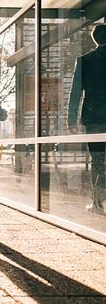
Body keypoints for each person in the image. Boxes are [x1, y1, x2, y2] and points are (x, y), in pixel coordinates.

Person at [68, 24, 106, 214]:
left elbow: (75, 93)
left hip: (94, 118)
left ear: (95, 39)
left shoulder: (85, 60)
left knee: (98, 160)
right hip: (95, 118)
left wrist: (71, 120)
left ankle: (98, 204)